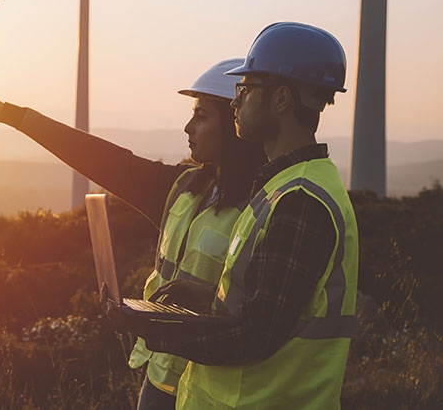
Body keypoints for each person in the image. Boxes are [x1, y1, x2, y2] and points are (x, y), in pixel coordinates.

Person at [0, 59, 267, 410]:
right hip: (162, 377)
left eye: (202, 116)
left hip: (219, 389)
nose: (188, 127)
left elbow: (258, 314)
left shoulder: (264, 206)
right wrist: (21, 118)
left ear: (235, 124)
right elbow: (103, 159)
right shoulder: (183, 187)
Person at [105, 22, 359, 409]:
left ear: (282, 99)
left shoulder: (300, 202)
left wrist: (157, 329)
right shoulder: (281, 187)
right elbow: (274, 307)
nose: (236, 101)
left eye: (245, 89)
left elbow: (256, 334)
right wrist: (206, 296)